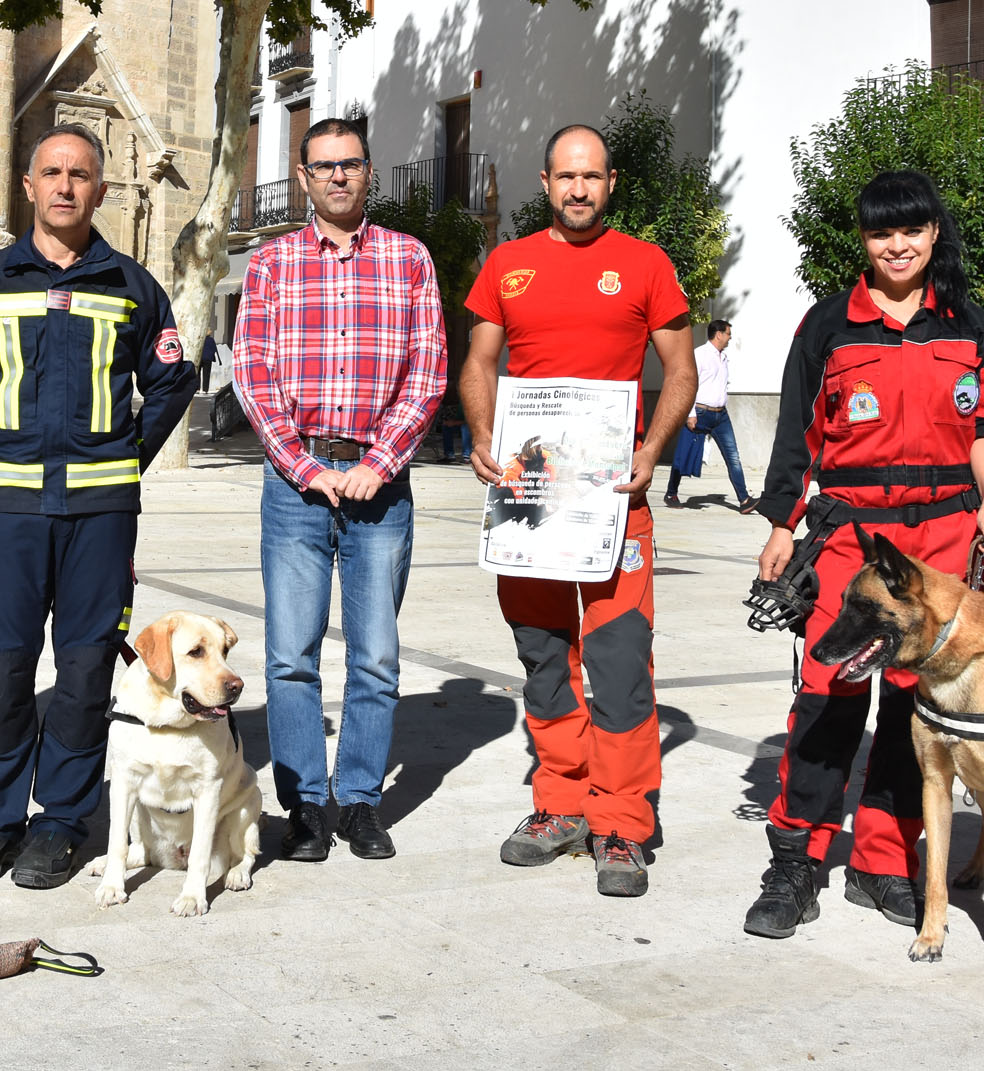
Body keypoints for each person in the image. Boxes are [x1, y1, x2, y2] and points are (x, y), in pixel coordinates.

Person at [0, 123, 196, 890]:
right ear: (28, 186)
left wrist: (127, 455)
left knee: (82, 673)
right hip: (8, 516)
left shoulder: (134, 287)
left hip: (101, 517)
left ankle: (62, 822)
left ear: (100, 192)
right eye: (52, 171)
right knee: (0, 669)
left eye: (80, 174)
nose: (66, 185)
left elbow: (174, 380)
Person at [743, 168, 984, 938]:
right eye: (880, 232)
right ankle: (796, 857)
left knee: (912, 703)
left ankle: (883, 860)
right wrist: (780, 526)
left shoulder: (972, 325)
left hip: (941, 542)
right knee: (830, 691)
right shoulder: (827, 325)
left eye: (911, 230)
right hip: (851, 539)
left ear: (933, 235)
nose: (896, 245)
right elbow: (798, 434)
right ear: (864, 239)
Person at [460, 124, 698, 899]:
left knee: (620, 662)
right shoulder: (509, 263)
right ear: (547, 180)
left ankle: (623, 822)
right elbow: (479, 362)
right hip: (528, 494)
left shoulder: (646, 264)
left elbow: (682, 369)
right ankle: (559, 803)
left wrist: (651, 448)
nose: (578, 189)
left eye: (592, 176)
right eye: (566, 176)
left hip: (613, 502)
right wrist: (482, 435)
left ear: (611, 181)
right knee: (542, 654)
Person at [232, 119, 445, 862]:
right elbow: (253, 374)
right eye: (323, 166)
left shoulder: (409, 259)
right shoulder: (270, 265)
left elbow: (427, 373)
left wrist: (378, 463)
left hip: (380, 488)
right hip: (297, 485)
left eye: (350, 164)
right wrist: (305, 465)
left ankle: (359, 799)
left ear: (369, 171)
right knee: (290, 653)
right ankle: (306, 805)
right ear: (303, 176)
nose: (338, 177)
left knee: (376, 654)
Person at [665, 319, 757, 512]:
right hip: (700, 412)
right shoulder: (699, 355)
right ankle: (671, 493)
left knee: (733, 457)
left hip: (721, 416)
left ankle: (744, 500)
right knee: (684, 454)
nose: (730, 338)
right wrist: (690, 414)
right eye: (728, 333)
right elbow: (688, 385)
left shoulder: (723, 357)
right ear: (719, 334)